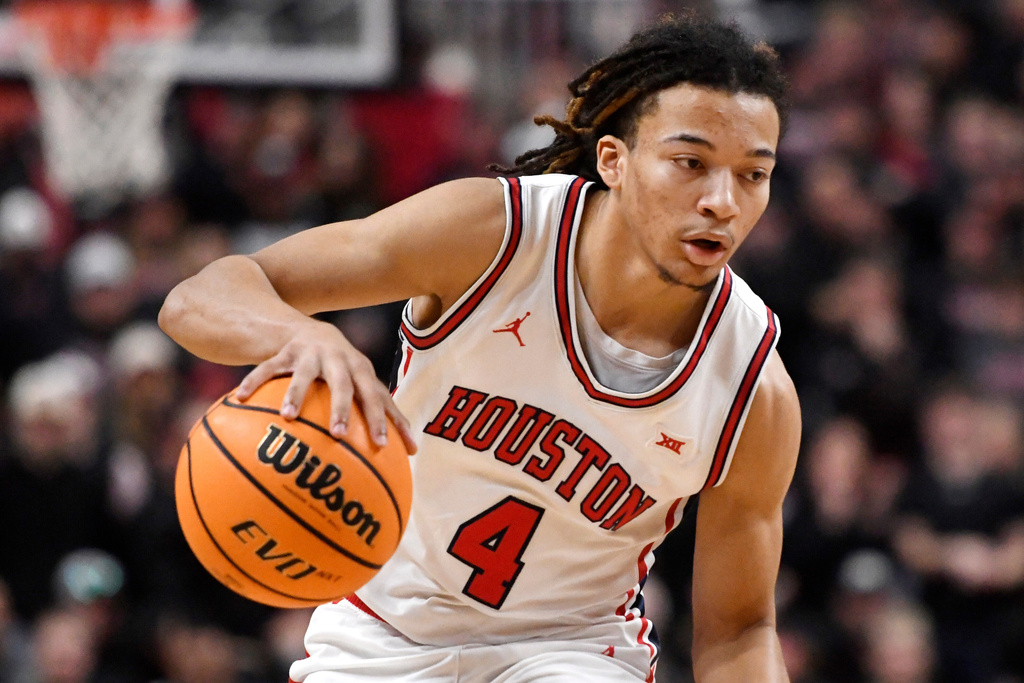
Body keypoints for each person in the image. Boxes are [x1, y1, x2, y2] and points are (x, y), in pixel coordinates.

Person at [159, 12, 801, 683]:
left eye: (753, 175)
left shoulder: (752, 389)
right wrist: (304, 333)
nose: (722, 202)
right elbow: (197, 299)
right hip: (385, 627)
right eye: (691, 163)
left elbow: (738, 629)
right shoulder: (495, 236)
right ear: (615, 159)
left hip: (571, 649)